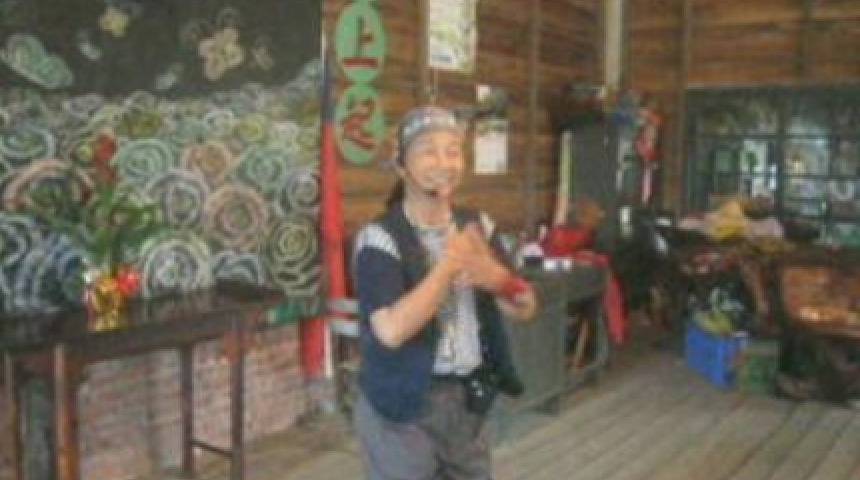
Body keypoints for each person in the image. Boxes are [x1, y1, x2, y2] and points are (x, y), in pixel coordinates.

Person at [350, 105, 538, 480]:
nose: (444, 162)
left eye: (453, 151)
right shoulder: (379, 238)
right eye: (428, 151)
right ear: (401, 166)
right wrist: (448, 266)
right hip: (402, 406)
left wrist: (499, 279)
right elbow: (390, 331)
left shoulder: (478, 225)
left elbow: (525, 307)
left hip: (467, 401)